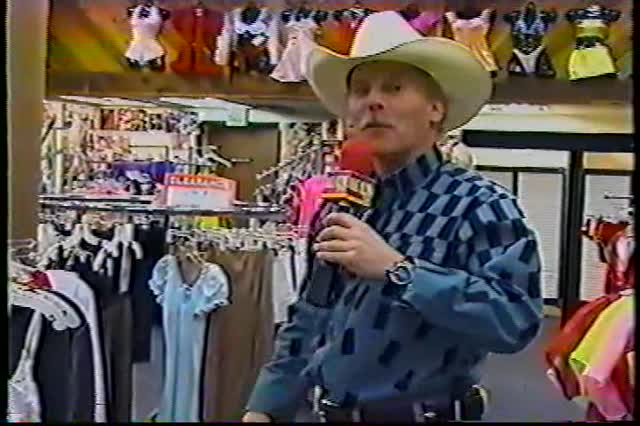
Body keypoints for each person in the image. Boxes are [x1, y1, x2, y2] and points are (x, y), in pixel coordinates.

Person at [243, 11, 543, 423]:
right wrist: (264, 407)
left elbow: (514, 321)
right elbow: (310, 317)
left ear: (435, 108)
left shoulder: (480, 205)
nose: (373, 101)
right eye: (361, 90)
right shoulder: (341, 207)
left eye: (394, 87)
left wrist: (399, 271)